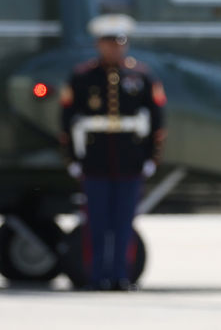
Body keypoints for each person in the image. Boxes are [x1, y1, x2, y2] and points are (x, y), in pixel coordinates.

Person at [60, 14, 167, 291]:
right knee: (96, 224)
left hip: (129, 161)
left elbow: (157, 120)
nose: (115, 49)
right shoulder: (83, 76)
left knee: (123, 224)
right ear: (99, 44)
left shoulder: (141, 76)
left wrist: (151, 158)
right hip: (95, 161)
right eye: (109, 43)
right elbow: (67, 120)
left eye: (119, 43)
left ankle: (121, 275)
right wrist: (72, 159)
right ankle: (96, 276)